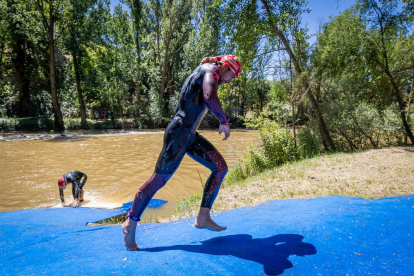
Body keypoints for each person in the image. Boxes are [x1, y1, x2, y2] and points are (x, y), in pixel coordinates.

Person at [122, 54, 241, 250]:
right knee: (158, 180)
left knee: (220, 168)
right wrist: (224, 121)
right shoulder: (210, 72)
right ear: (226, 67)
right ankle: (130, 221)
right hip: (178, 135)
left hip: (189, 136)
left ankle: (203, 217)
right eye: (233, 76)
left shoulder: (209, 71)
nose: (230, 81)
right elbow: (210, 96)